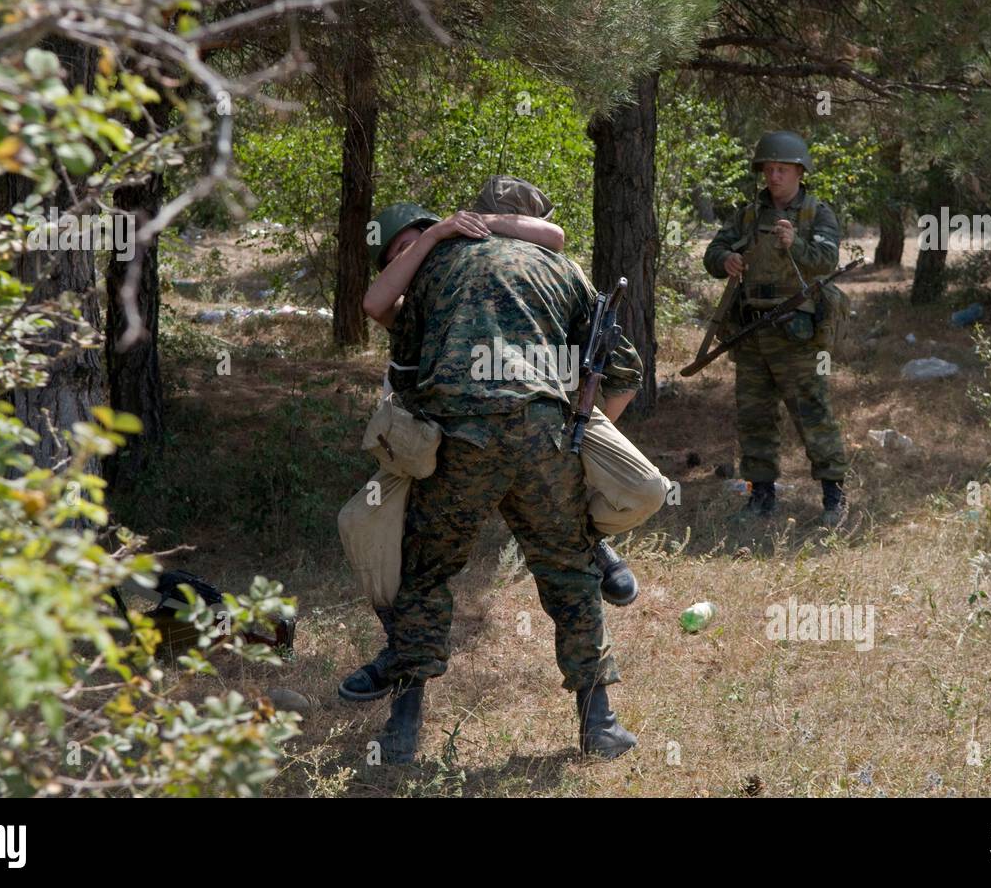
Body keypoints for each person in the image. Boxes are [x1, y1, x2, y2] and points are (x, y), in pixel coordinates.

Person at [337, 178, 668, 704]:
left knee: (422, 570)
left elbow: (402, 378)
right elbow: (623, 366)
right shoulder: (560, 268)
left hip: (455, 443)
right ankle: (598, 718)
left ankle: (405, 715)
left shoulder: (431, 277)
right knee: (569, 570)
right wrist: (578, 434)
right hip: (544, 437)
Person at [702, 131, 849, 527]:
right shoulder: (747, 215)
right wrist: (726, 259)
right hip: (751, 332)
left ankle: (834, 496)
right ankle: (761, 496)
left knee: (812, 412)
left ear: (800, 172)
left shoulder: (817, 213)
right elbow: (712, 253)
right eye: (768, 169)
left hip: (797, 334)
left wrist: (795, 244)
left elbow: (825, 260)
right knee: (754, 416)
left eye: (782, 169)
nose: (774, 176)